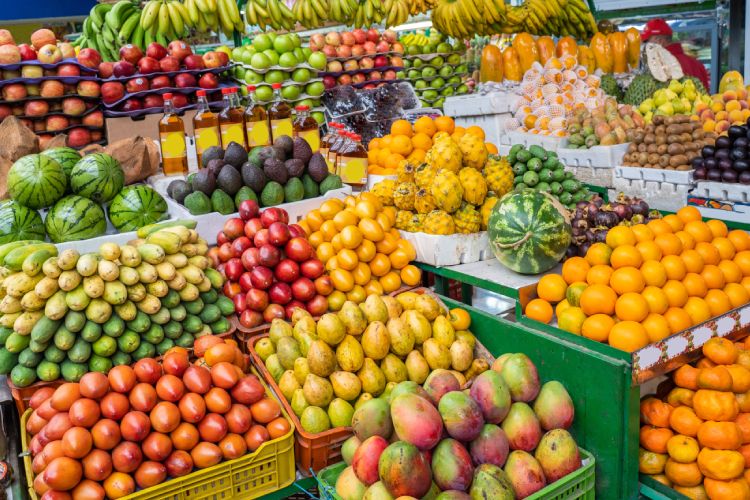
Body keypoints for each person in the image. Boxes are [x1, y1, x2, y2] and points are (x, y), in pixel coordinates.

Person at [641, 18, 710, 90]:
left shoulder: (660, 67)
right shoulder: (698, 64)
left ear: (659, 41)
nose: (644, 47)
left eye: (646, 42)